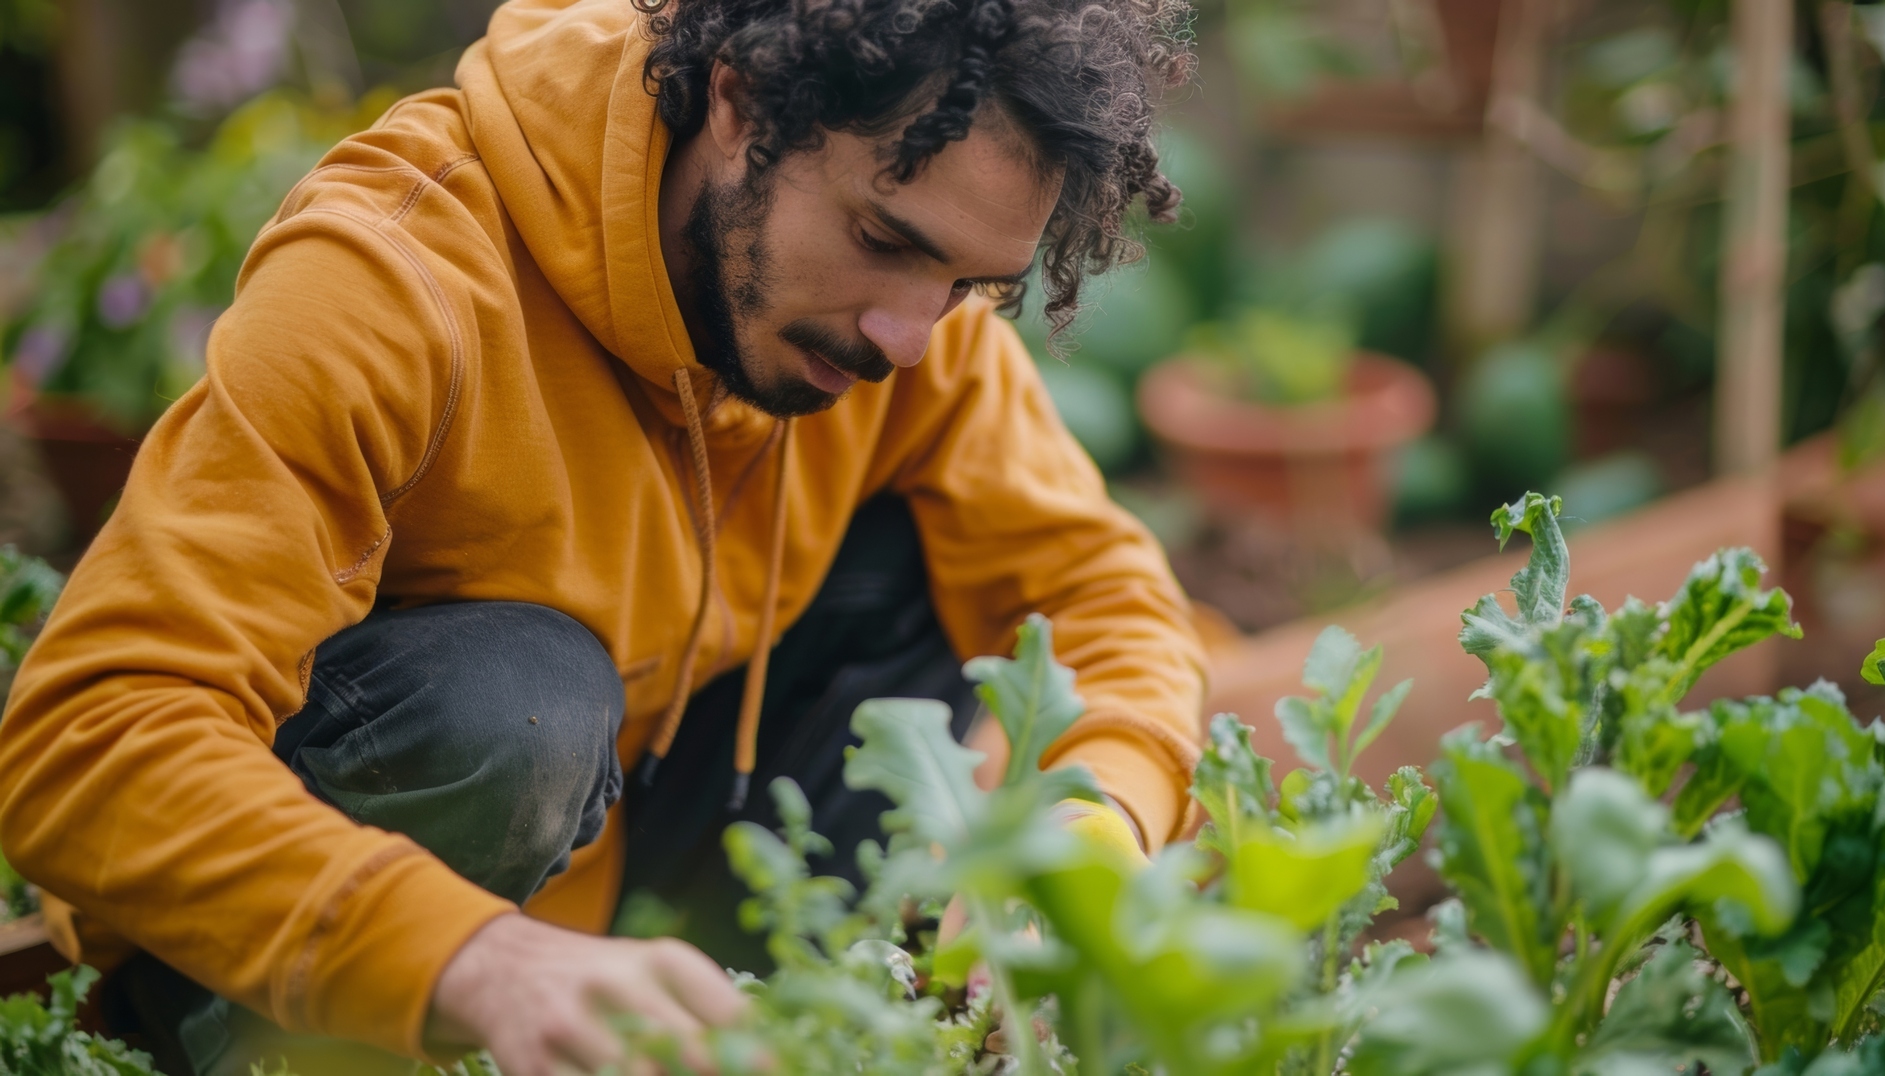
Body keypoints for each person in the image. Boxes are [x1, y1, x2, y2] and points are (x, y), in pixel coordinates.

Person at [0, 0, 1206, 1072]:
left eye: (970, 285)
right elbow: (87, 735)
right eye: (886, 241)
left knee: (932, 583)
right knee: (520, 701)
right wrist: (475, 958)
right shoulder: (399, 274)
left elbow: (1097, 590)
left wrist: (1088, 829)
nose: (908, 333)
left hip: (645, 847)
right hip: (345, 921)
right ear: (738, 102)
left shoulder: (901, 330)